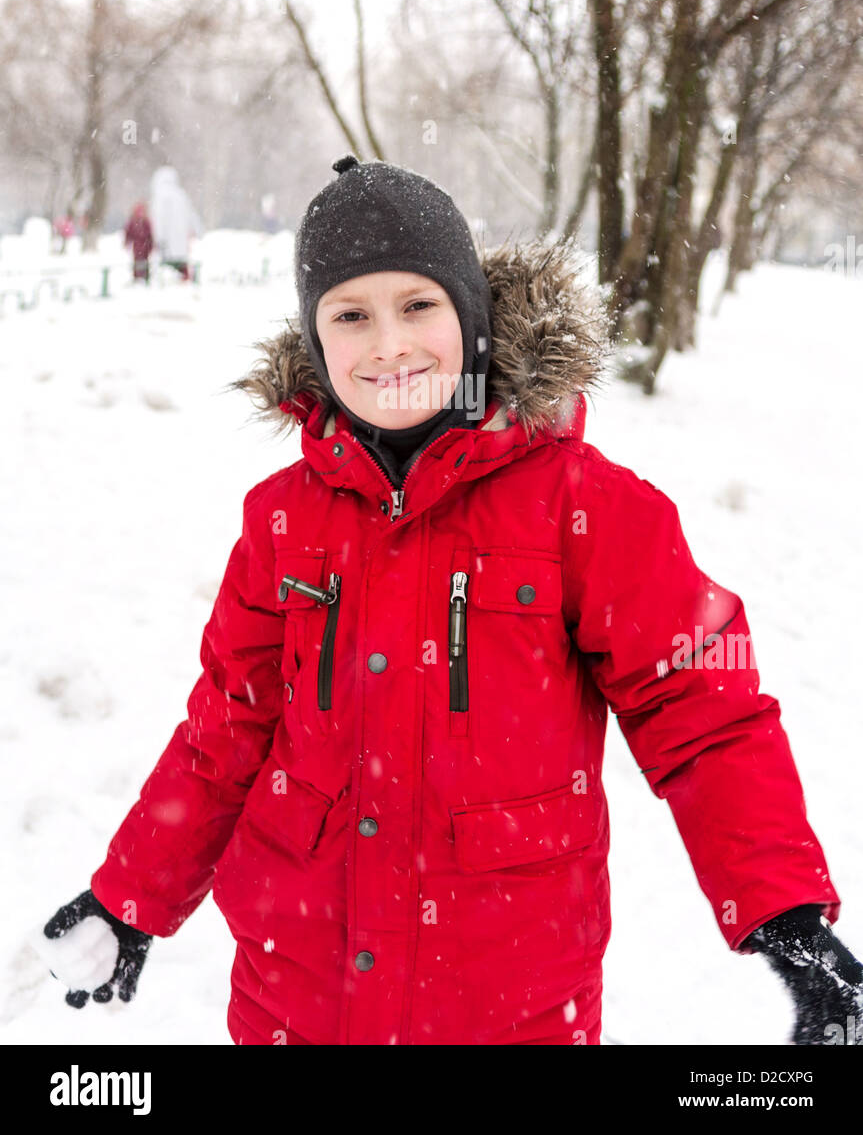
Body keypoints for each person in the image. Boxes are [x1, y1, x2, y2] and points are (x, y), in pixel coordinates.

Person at [41, 155, 862, 1046]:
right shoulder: (282, 519)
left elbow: (699, 707)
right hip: (299, 991)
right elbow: (225, 729)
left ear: (469, 316)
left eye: (417, 305)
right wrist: (131, 894)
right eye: (350, 316)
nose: (388, 344)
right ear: (316, 342)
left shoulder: (580, 505)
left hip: (504, 996)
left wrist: (784, 916)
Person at [149, 165, 201, 281]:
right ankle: (182, 281)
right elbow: (191, 216)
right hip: (181, 243)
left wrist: (159, 238)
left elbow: (159, 221)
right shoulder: (181, 195)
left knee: (167, 268)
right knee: (181, 267)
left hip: (167, 244)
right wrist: (197, 231)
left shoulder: (160, 196)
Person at [123, 201, 154, 283]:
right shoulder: (133, 222)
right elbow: (128, 233)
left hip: (145, 246)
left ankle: (144, 277)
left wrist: (151, 245)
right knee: (137, 261)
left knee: (144, 261)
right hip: (137, 246)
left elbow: (150, 235)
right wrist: (127, 241)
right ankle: (137, 277)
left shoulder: (145, 222)